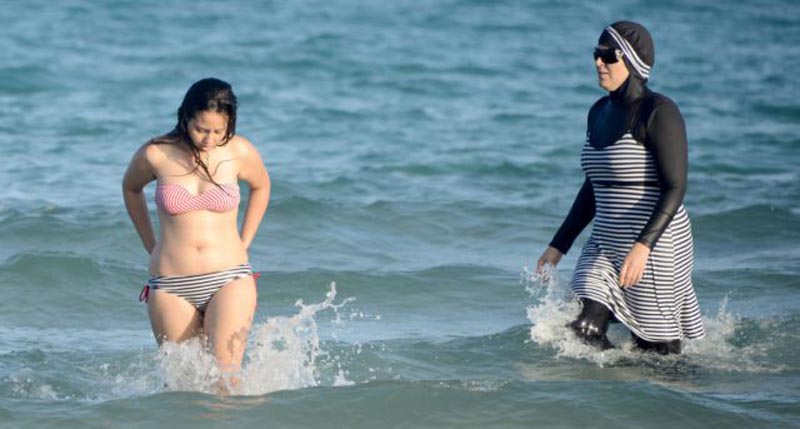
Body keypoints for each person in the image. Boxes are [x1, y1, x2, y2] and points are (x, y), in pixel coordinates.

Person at [537, 21, 704, 355]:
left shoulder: (659, 112)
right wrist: (558, 246)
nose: (599, 62)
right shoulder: (598, 111)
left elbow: (675, 186)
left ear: (631, 60)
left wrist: (643, 246)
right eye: (596, 54)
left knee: (659, 355)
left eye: (608, 55)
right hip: (605, 241)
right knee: (582, 327)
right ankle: (607, 392)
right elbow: (592, 188)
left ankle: (678, 396)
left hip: (656, 243)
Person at [122, 78, 270, 390]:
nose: (209, 138)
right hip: (171, 285)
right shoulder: (156, 154)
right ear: (185, 117)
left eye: (219, 130)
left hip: (229, 277)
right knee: (182, 386)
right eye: (202, 129)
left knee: (225, 380)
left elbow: (261, 186)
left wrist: (245, 241)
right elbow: (131, 188)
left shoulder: (239, 151)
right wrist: (151, 244)